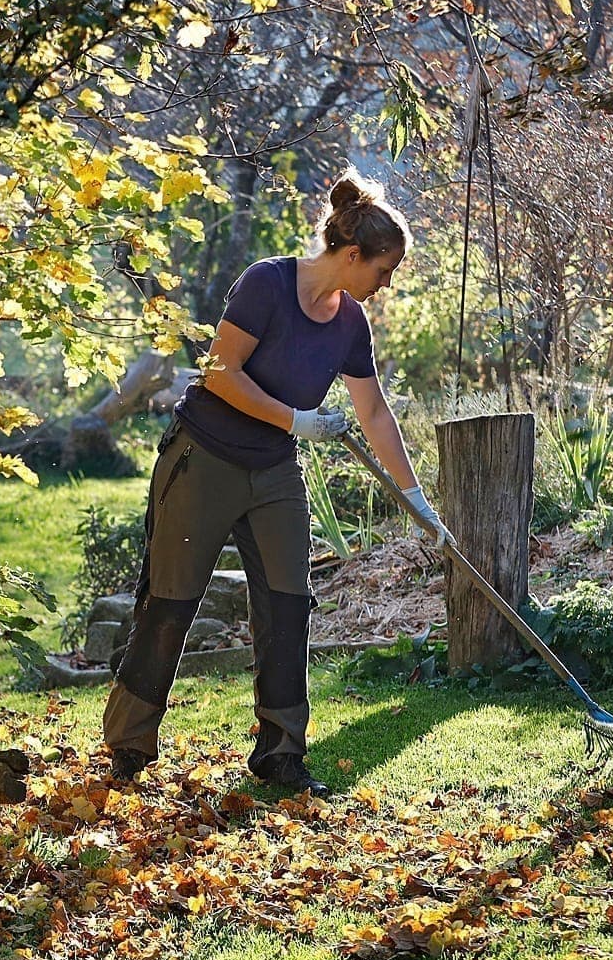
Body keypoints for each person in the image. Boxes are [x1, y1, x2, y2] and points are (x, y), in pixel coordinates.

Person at [101, 169, 449, 796]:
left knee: (289, 607)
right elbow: (219, 371)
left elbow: (374, 412)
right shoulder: (266, 284)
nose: (386, 283)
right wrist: (297, 418)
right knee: (170, 604)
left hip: (274, 471)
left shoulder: (350, 326)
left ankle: (281, 753)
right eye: (383, 269)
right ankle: (128, 747)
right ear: (351, 255)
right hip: (203, 458)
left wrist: (414, 496)